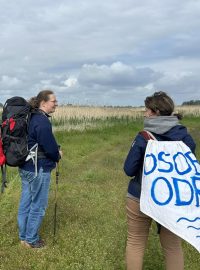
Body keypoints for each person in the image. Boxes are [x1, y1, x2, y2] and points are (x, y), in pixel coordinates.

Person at [123, 91, 196, 270]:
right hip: (172, 199)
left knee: (136, 242)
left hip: (140, 195)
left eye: (147, 110)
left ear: (155, 111)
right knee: (172, 246)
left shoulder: (144, 137)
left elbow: (129, 169)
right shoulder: (185, 137)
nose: (145, 114)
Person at [18, 90, 62, 248]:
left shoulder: (30, 117)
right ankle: (31, 239)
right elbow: (49, 147)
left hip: (26, 167)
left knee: (26, 202)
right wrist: (58, 155)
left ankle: (23, 237)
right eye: (54, 101)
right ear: (43, 103)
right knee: (38, 205)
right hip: (38, 169)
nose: (56, 104)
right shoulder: (42, 121)